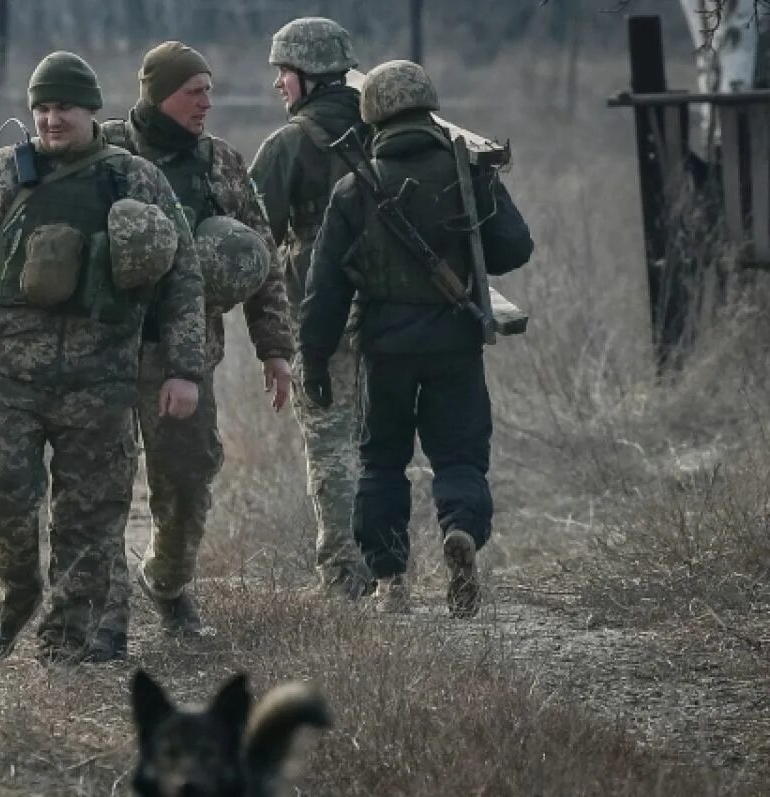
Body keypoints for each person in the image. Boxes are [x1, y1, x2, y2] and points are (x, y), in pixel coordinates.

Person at [0, 51, 206, 663]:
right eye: (43, 108)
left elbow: (183, 278)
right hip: (10, 380)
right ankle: (15, 596)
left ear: (91, 111)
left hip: (102, 383)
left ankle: (64, 647)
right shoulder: (2, 175)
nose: (52, 120)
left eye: (65, 108)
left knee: (90, 522)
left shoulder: (136, 180)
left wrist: (184, 369)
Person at [299, 60, 534, 616]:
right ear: (429, 107)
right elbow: (515, 249)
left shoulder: (354, 187)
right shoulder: (469, 172)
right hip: (455, 343)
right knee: (460, 458)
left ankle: (391, 581)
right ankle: (461, 533)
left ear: (373, 115)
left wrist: (313, 359)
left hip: (384, 352)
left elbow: (325, 287)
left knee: (381, 462)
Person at [90, 41, 295, 661]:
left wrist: (275, 349)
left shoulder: (222, 166)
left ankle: (170, 585)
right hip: (103, 353)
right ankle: (104, 613)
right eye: (193, 91)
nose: (207, 101)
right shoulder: (105, 153)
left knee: (186, 481)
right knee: (99, 485)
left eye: (209, 89)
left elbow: (261, 261)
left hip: (185, 356)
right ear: (158, 94)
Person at [249, 17, 375, 599]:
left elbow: (253, 238)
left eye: (284, 73)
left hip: (319, 317)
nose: (278, 84)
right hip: (400, 314)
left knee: (330, 446)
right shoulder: (389, 129)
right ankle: (390, 572)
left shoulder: (290, 144)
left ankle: (344, 575)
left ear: (307, 76)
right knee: (386, 443)